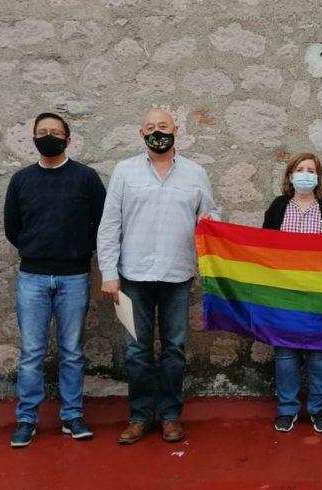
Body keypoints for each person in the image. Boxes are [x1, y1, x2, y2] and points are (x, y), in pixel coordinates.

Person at [97, 108, 217, 445]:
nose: (157, 132)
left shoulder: (195, 173)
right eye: (150, 127)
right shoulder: (125, 171)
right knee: (136, 351)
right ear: (141, 133)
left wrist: (210, 219)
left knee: (174, 350)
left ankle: (171, 416)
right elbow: (110, 225)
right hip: (132, 277)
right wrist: (109, 273)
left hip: (177, 275)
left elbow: (210, 215)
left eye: (163, 126)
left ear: (176, 130)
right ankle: (139, 417)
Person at [4, 112, 106, 447]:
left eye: (55, 132)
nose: (49, 136)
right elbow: (12, 228)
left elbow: (102, 224)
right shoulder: (21, 180)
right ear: (34, 138)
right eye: (42, 131)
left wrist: (78, 250)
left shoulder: (86, 178)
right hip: (32, 276)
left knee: (72, 351)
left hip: (74, 277)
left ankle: (72, 416)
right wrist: (37, 249)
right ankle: (26, 419)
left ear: (68, 139)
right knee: (31, 352)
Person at [263, 153, 322, 433]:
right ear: (290, 175)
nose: (305, 174)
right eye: (300, 169)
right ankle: (287, 409)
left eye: (311, 170)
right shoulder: (278, 206)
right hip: (284, 292)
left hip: (319, 292)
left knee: (319, 353)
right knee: (285, 352)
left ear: (318, 177)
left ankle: (319, 409)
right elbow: (262, 247)